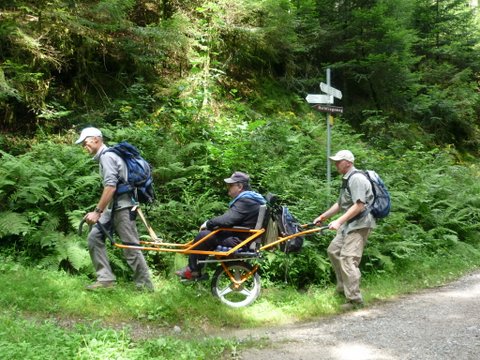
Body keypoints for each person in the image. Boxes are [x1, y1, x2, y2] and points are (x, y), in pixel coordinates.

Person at [75, 127, 154, 291]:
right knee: (94, 238)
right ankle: (105, 280)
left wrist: (97, 212)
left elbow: (110, 187)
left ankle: (146, 287)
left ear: (96, 139)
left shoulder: (107, 157)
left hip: (123, 208)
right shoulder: (107, 156)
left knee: (130, 247)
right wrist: (101, 211)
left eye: (85, 142)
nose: (84, 146)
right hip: (113, 208)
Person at [313, 150, 375, 310]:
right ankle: (343, 288)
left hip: (359, 224)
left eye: (338, 161)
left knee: (348, 259)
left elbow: (359, 205)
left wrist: (339, 222)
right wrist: (323, 217)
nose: (335, 164)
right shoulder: (347, 179)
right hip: (350, 224)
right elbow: (341, 204)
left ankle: (355, 300)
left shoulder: (357, 179)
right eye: (335, 161)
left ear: (348, 162)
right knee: (334, 251)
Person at [175, 171, 266, 280]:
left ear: (240, 186)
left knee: (203, 236)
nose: (228, 188)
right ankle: (195, 269)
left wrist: (208, 223)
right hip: (242, 236)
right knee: (207, 235)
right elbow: (231, 220)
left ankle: (193, 270)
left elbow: (228, 220)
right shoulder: (252, 199)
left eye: (231, 185)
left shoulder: (246, 201)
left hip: (240, 240)